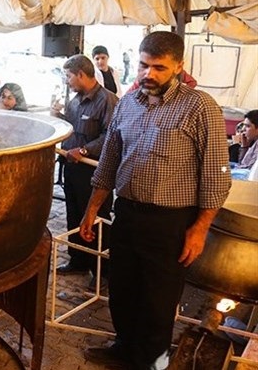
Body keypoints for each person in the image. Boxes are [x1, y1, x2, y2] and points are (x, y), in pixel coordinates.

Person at [79, 31, 231, 370]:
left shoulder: (199, 107)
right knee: (122, 288)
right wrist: (92, 209)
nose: (149, 74)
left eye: (159, 68)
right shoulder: (128, 104)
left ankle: (151, 362)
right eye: (144, 66)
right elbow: (109, 161)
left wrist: (200, 228)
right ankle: (123, 347)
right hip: (128, 213)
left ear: (179, 65)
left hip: (170, 223)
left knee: (158, 301)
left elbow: (217, 173)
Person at [50, 55, 118, 286]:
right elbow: (70, 129)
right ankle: (77, 260)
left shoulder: (108, 100)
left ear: (80, 74)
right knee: (74, 213)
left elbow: (110, 136)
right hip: (72, 168)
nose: (67, 81)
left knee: (97, 217)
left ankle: (103, 270)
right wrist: (56, 117)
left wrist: (85, 151)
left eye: (69, 76)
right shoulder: (74, 102)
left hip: (95, 171)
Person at [231, 110, 258, 179]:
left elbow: (246, 169)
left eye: (248, 126)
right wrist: (244, 146)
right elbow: (242, 164)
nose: (243, 129)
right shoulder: (254, 142)